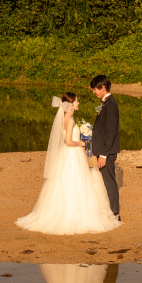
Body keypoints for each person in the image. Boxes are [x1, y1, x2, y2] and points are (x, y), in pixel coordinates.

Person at [15, 92, 121, 234]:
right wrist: (82, 142)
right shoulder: (69, 120)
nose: (78, 103)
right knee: (74, 182)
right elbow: (68, 142)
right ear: (71, 104)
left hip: (68, 155)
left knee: (67, 182)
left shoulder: (66, 118)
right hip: (72, 154)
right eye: (76, 101)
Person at [90, 75, 120, 221]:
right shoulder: (106, 103)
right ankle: (110, 210)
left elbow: (110, 132)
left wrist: (103, 154)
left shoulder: (111, 105)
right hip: (103, 149)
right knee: (106, 181)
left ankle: (115, 213)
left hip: (107, 151)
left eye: (95, 89)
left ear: (103, 87)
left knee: (109, 182)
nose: (93, 92)